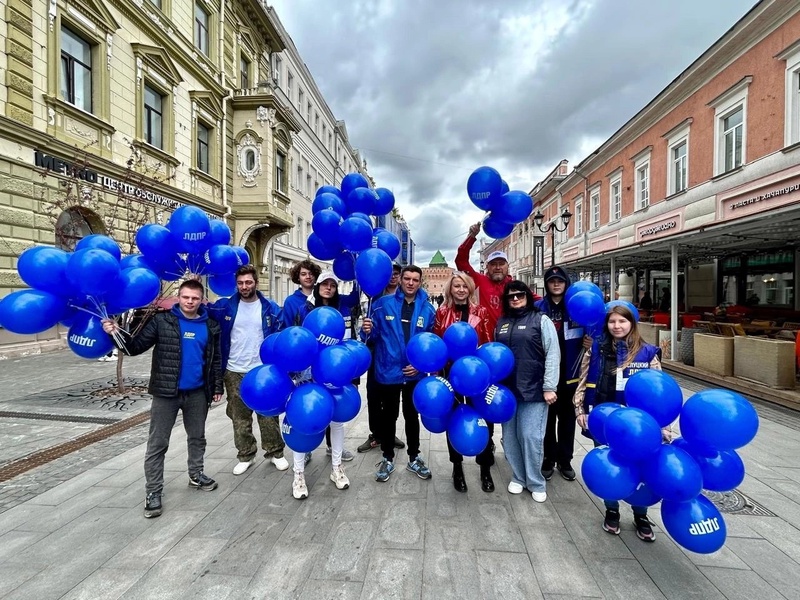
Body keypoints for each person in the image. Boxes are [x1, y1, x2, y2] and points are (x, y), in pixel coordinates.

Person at [101, 279, 223, 519]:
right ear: (179, 297)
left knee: (197, 437)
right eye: (186, 297)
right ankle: (153, 491)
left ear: (201, 300)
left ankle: (196, 474)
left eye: (195, 298)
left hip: (198, 393)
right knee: (158, 443)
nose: (190, 302)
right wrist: (115, 333)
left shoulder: (210, 325)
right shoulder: (162, 321)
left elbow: (215, 359)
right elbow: (134, 347)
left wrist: (216, 386)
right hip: (166, 393)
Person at [573, 304, 667, 542]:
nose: (616, 326)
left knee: (640, 468)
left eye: (622, 322)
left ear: (632, 324)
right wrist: (580, 409)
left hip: (638, 425)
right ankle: (611, 510)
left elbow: (661, 392)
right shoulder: (596, 348)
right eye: (612, 321)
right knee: (609, 465)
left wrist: (664, 427)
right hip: (603, 418)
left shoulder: (647, 352)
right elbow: (583, 379)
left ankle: (641, 514)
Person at [208, 264, 288, 476]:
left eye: (248, 282)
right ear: (236, 284)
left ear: (256, 282)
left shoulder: (270, 308)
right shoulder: (225, 307)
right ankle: (246, 454)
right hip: (234, 369)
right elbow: (201, 310)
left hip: (263, 370)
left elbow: (282, 335)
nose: (244, 286)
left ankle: (275, 452)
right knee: (239, 416)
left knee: (268, 413)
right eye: (241, 283)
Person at [361, 265, 436, 483]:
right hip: (388, 371)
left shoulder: (428, 309)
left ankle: (414, 457)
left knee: (412, 416)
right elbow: (371, 338)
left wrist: (421, 366)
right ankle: (387, 457)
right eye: (407, 279)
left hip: (414, 373)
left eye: (415, 279)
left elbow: (431, 345)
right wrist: (367, 329)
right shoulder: (383, 304)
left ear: (420, 282)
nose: (411, 283)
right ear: (400, 280)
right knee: (389, 416)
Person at [289, 270, 357, 499]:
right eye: (324, 284)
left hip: (334, 372)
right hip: (306, 372)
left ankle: (336, 468)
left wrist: (350, 372)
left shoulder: (342, 311)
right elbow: (294, 340)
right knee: (301, 417)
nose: (329, 288)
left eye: (333, 285)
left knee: (337, 420)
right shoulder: (304, 310)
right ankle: (298, 474)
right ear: (317, 287)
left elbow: (348, 342)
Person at [494, 280, 560, 503]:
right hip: (508, 391)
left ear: (528, 296)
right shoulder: (501, 322)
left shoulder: (541, 320)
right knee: (510, 437)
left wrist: (550, 386)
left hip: (534, 390)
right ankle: (518, 477)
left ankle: (535, 481)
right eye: (510, 296)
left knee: (530, 437)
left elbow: (553, 354)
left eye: (519, 295)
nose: (515, 299)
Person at [433, 272, 494, 493]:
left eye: (464, 286)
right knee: (455, 418)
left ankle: (485, 468)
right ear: (450, 289)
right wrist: (438, 375)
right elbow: (438, 345)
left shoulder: (482, 312)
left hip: (477, 375)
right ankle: (457, 467)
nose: (460, 290)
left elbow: (488, 342)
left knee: (484, 420)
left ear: (470, 290)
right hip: (452, 375)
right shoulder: (442, 312)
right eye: (456, 286)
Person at [536, 266, 587, 483]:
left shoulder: (577, 307)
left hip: (571, 374)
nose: (556, 284)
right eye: (552, 280)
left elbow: (594, 329)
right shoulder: (538, 307)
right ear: (547, 284)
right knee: (546, 421)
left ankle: (565, 460)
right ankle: (548, 458)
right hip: (547, 375)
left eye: (560, 280)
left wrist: (592, 341)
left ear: (566, 283)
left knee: (567, 420)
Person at [357, 262, 406, 454]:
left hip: (396, 357)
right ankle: (376, 434)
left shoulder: (404, 299)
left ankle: (389, 432)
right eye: (390, 274)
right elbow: (366, 331)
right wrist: (364, 331)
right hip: (376, 354)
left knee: (392, 398)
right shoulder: (373, 297)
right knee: (374, 394)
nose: (393, 277)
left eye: (396, 274)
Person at [456, 224, 514, 335]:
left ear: (508, 266)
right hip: (484, 337)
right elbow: (461, 260)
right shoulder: (479, 280)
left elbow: (538, 301)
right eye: (493, 264)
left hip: (509, 338)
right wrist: (471, 237)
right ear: (487, 266)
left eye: (501, 264)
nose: (497, 267)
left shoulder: (515, 286)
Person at [281, 259, 322, 328]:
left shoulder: (323, 297)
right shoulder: (291, 301)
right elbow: (288, 328)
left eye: (311, 274)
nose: (308, 277)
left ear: (315, 277)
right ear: (298, 278)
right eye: (303, 274)